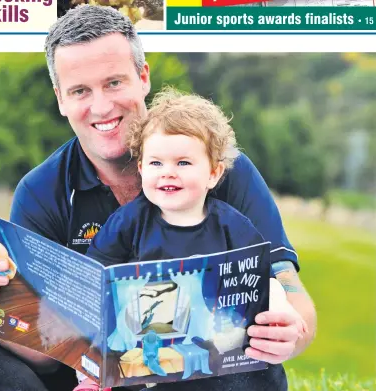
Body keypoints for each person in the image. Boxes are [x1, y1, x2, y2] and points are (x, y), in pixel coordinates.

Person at [0, 5, 316, 391]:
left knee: (249, 359)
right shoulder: (41, 190)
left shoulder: (223, 166)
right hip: (87, 377)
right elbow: (44, 357)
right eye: (80, 90)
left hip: (192, 371)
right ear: (61, 99)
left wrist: (290, 333)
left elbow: (289, 289)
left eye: (114, 82)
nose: (101, 106)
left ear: (143, 77)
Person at [75, 86, 307, 391]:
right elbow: (95, 281)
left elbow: (265, 277)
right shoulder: (129, 222)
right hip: (151, 353)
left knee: (254, 374)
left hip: (216, 354)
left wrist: (284, 309)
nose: (168, 173)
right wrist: (92, 365)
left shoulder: (230, 224)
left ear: (213, 173)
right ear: (142, 169)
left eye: (183, 163)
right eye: (156, 163)